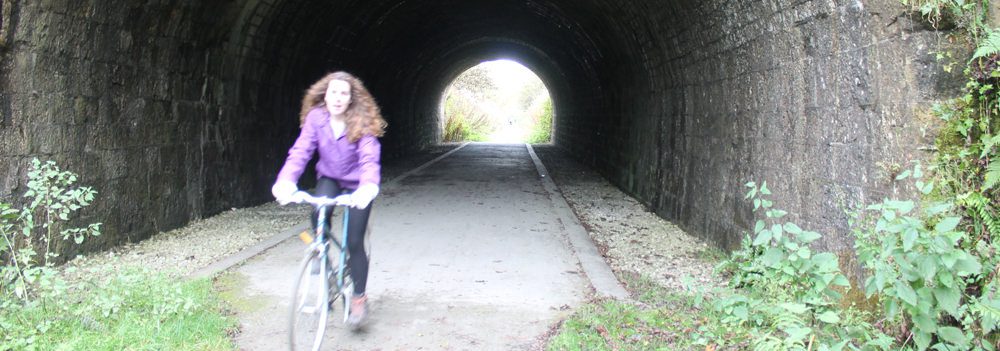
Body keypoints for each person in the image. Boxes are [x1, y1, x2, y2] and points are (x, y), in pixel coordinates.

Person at [271, 71, 387, 326]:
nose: (337, 98)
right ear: (325, 94)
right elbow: (301, 151)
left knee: (355, 241)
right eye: (333, 92)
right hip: (330, 178)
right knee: (317, 210)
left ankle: (358, 299)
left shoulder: (363, 120)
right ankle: (322, 254)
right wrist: (286, 181)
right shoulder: (316, 118)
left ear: (351, 98)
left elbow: (369, 159)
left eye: (344, 93)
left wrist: (367, 188)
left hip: (357, 183)